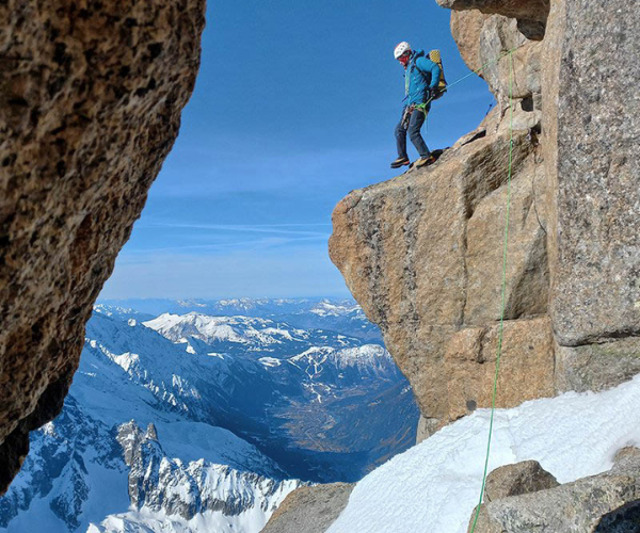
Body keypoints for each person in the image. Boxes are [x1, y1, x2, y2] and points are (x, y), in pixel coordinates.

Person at [390, 41, 441, 169]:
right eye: (398, 59)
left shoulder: (418, 61)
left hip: (421, 103)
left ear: (407, 53)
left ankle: (426, 156)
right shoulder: (409, 68)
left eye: (401, 58)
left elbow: (434, 68)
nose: (400, 61)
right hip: (410, 104)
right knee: (399, 130)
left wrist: (433, 86)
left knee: (413, 131)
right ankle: (403, 157)